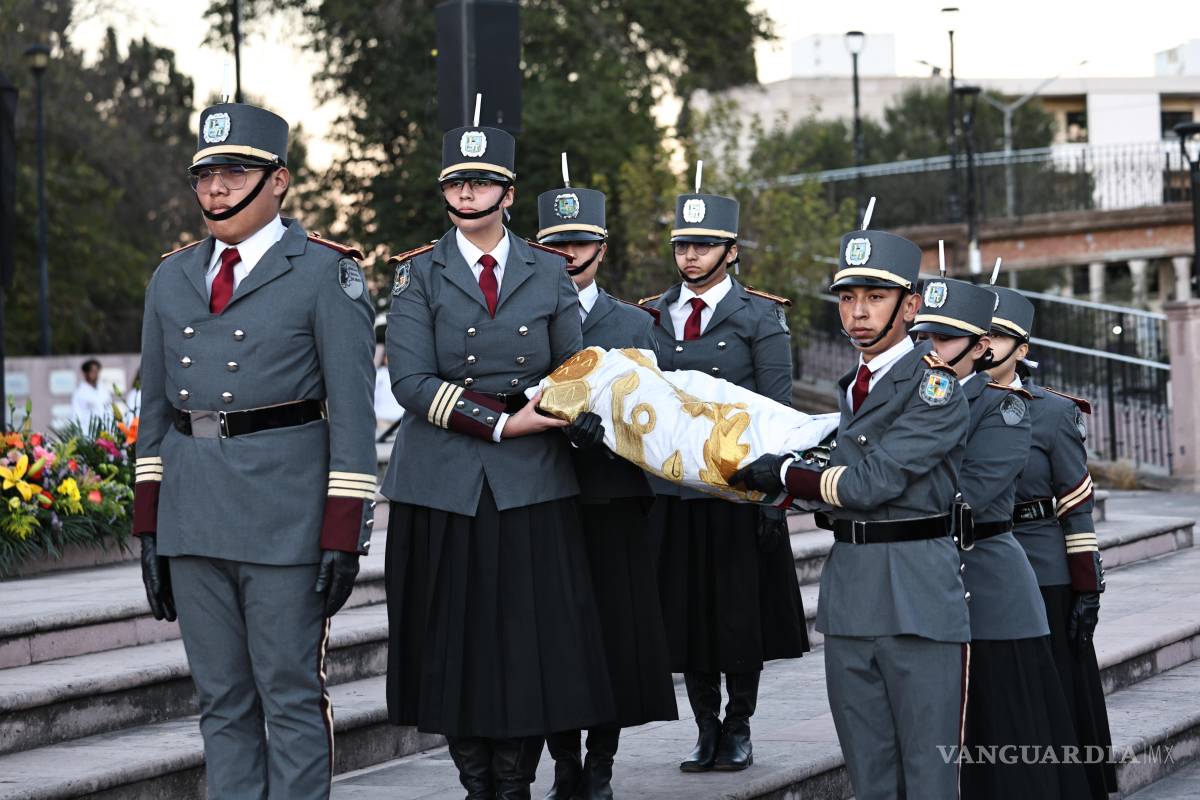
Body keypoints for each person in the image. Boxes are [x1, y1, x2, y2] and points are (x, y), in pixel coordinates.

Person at [132, 102, 377, 800]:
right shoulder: (171, 278)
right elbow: (154, 414)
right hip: (193, 513)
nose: (214, 188)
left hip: (286, 521)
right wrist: (149, 526)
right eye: (204, 174)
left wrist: (344, 534)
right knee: (220, 700)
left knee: (291, 695)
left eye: (233, 171)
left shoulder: (327, 274)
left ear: (279, 181)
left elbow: (354, 419)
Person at [382, 114, 615, 800]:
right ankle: (475, 783)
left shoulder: (549, 271)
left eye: (482, 181)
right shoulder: (416, 275)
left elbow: (576, 368)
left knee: (524, 643)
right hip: (444, 482)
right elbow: (410, 381)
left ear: (508, 194)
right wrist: (504, 423)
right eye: (456, 180)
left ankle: (515, 782)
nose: (467, 193)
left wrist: (572, 413)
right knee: (450, 643)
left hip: (530, 487)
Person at [730, 227, 971, 800]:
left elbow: (871, 482)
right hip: (852, 592)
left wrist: (786, 474)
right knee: (868, 771)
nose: (858, 313)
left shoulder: (936, 389)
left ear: (910, 306)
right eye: (847, 298)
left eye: (875, 297)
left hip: (915, 593)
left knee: (929, 772)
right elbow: (836, 486)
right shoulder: (853, 387)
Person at [640, 175, 807, 773]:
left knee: (738, 618)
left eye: (704, 245)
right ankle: (705, 727)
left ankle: (739, 727)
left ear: (731, 250)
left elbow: (780, 412)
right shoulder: (652, 316)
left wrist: (770, 499)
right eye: (683, 244)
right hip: (674, 492)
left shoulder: (759, 316)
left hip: (739, 492)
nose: (691, 255)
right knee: (684, 617)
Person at [910, 276, 1091, 799]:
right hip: (939, 573)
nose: (931, 350)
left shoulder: (1014, 407)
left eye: (944, 339)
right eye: (926, 338)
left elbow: (979, 493)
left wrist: (1087, 582)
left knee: (1010, 724)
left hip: (998, 568)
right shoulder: (918, 396)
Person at [535, 167, 678, 799]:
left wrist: (616, 438)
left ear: (602, 247)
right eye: (556, 244)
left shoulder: (634, 326)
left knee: (615, 636)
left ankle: (601, 764)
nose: (568, 255)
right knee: (556, 637)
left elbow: (662, 415)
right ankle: (563, 761)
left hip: (616, 501)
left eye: (580, 242)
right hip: (544, 495)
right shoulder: (523, 317)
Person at [988, 287, 1116, 799]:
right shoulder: (952, 406)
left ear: (1022, 349)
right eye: (981, 335)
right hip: (978, 563)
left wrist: (1087, 586)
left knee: (1059, 690)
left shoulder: (1053, 414)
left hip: (1043, 568)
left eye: (1000, 337)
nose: (987, 346)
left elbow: (1076, 506)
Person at [71, 358, 113, 428]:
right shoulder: (79, 393)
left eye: (97, 371)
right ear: (86, 373)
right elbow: (75, 416)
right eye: (93, 371)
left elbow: (110, 411)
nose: (95, 374)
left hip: (106, 432)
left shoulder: (104, 391)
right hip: (88, 433)